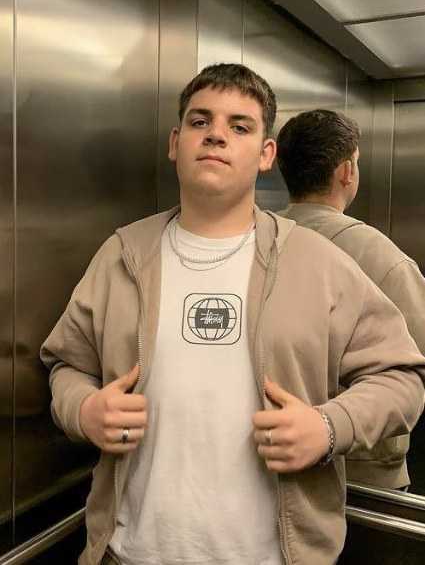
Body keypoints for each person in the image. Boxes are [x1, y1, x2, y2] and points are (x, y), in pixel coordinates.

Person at [41, 65, 425, 565]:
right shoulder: (122, 254)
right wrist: (84, 411)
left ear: (266, 154)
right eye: (200, 121)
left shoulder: (318, 263)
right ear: (176, 143)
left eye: (239, 126)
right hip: (128, 553)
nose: (216, 135)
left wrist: (328, 428)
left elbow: (402, 378)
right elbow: (66, 365)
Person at [277, 108, 425, 490]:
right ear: (346, 172)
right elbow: (412, 369)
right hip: (363, 473)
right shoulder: (384, 258)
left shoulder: (255, 241)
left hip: (269, 460)